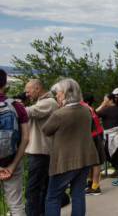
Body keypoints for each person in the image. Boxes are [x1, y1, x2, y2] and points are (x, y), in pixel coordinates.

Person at [42, 78, 99, 216]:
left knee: (53, 196)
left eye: (58, 93)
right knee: (78, 194)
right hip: (85, 157)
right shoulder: (85, 110)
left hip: (65, 161)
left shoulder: (59, 114)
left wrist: (60, 110)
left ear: (65, 94)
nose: (56, 96)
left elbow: (46, 130)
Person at [21, 79, 58, 216]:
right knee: (41, 188)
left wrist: (18, 104)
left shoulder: (48, 103)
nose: (26, 94)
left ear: (37, 89)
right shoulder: (43, 102)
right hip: (39, 151)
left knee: (32, 189)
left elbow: (26, 114)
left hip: (40, 152)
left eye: (28, 92)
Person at [0, 69, 29, 216]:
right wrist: (11, 165)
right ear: (5, 83)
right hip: (12, 160)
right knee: (16, 205)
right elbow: (25, 138)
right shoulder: (17, 106)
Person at [81, 93, 104, 196]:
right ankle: (91, 184)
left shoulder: (83, 107)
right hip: (97, 134)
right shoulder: (89, 108)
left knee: (94, 162)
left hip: (92, 136)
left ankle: (95, 186)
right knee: (91, 162)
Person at [95, 93, 118, 178]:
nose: (104, 102)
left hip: (111, 134)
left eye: (105, 100)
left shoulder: (107, 109)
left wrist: (101, 106)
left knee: (107, 152)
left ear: (111, 100)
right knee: (116, 152)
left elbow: (94, 114)